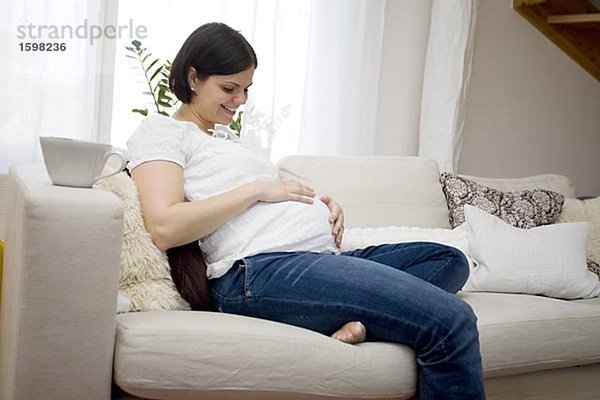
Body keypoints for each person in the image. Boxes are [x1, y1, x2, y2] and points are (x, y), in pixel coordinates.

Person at [127, 22, 485, 399]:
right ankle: (369, 312)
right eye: (229, 88)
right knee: (450, 320)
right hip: (257, 271)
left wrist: (322, 204)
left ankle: (363, 320)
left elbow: (272, 200)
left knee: (448, 259)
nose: (241, 100)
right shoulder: (162, 132)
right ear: (193, 78)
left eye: (247, 88)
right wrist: (257, 189)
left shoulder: (227, 140)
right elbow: (165, 226)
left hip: (315, 259)